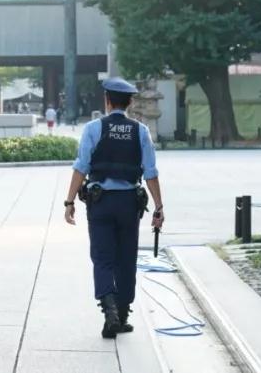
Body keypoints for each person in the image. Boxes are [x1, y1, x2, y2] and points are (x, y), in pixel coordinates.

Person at [63, 77, 164, 339]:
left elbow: (81, 166)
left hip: (100, 203)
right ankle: (123, 313)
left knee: (102, 257)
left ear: (107, 101)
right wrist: (159, 207)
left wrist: (70, 201)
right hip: (129, 204)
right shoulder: (141, 131)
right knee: (126, 258)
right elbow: (151, 173)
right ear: (130, 102)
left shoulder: (94, 128)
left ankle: (109, 313)